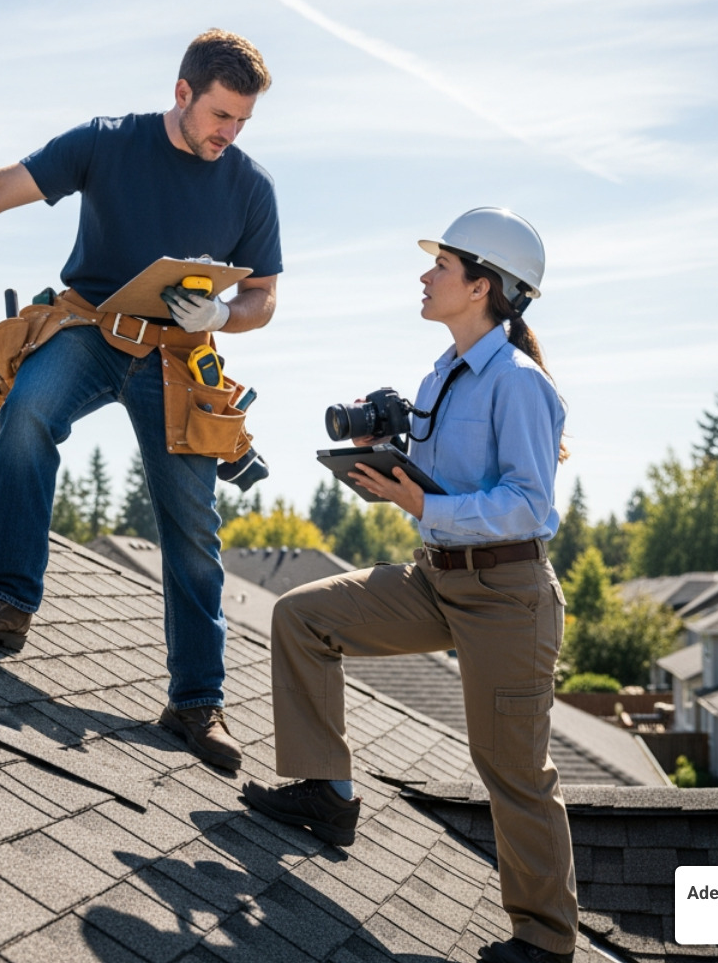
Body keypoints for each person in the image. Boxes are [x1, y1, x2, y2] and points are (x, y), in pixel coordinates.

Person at [0, 30, 281, 772]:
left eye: (242, 122)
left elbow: (262, 298)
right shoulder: (107, 144)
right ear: (182, 94)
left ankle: (197, 702)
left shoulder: (250, 188)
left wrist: (225, 317)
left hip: (176, 356)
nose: (230, 133)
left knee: (193, 525)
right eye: (221, 116)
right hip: (91, 327)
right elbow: (1, 189)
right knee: (29, 408)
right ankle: (7, 605)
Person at [244, 208, 579, 963]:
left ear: (482, 286)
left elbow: (529, 504)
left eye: (441, 266)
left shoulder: (520, 384)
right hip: (436, 580)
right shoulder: (443, 371)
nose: (425, 276)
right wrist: (382, 455)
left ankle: (546, 940)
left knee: (514, 770)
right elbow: (441, 477)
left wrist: (423, 505)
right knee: (303, 618)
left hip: (507, 596)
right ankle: (326, 792)